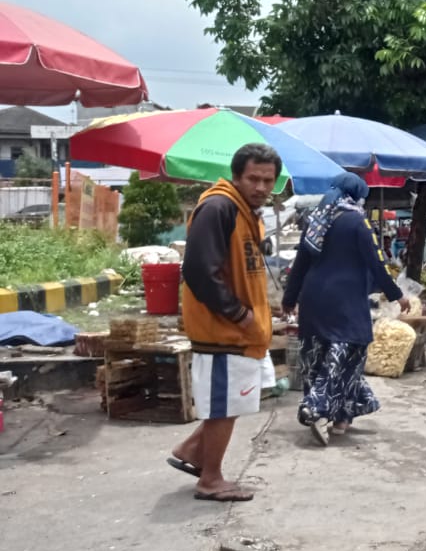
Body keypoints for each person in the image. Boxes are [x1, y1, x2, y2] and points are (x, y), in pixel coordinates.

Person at [168, 144, 280, 502]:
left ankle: (191, 450)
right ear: (237, 176)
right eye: (254, 179)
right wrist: (239, 314)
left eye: (268, 180)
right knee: (224, 408)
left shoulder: (245, 212)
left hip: (241, 332)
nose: (261, 187)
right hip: (224, 330)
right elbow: (199, 271)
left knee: (231, 404)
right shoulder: (219, 207)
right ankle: (210, 479)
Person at [283, 172, 408, 446]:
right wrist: (397, 295)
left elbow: (300, 265)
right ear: (357, 196)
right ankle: (316, 408)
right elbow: (377, 262)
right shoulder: (357, 222)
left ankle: (341, 417)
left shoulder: (315, 221)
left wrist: (289, 299)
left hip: (314, 300)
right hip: (346, 303)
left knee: (318, 358)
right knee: (347, 358)